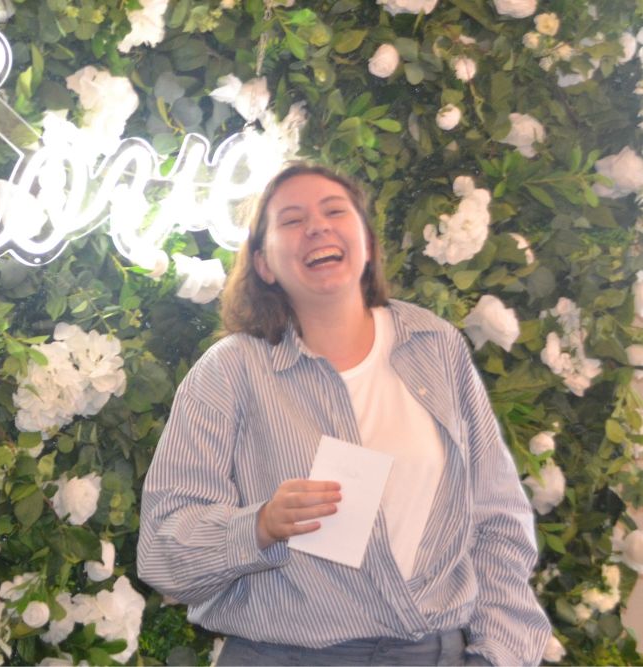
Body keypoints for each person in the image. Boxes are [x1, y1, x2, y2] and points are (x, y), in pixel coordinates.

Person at [137, 163, 551, 666]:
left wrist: (497, 657)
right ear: (264, 264)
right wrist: (260, 525)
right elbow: (162, 552)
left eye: (335, 210)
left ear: (368, 242)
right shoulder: (230, 372)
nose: (317, 226)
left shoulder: (436, 346)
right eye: (291, 220)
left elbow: (497, 520)